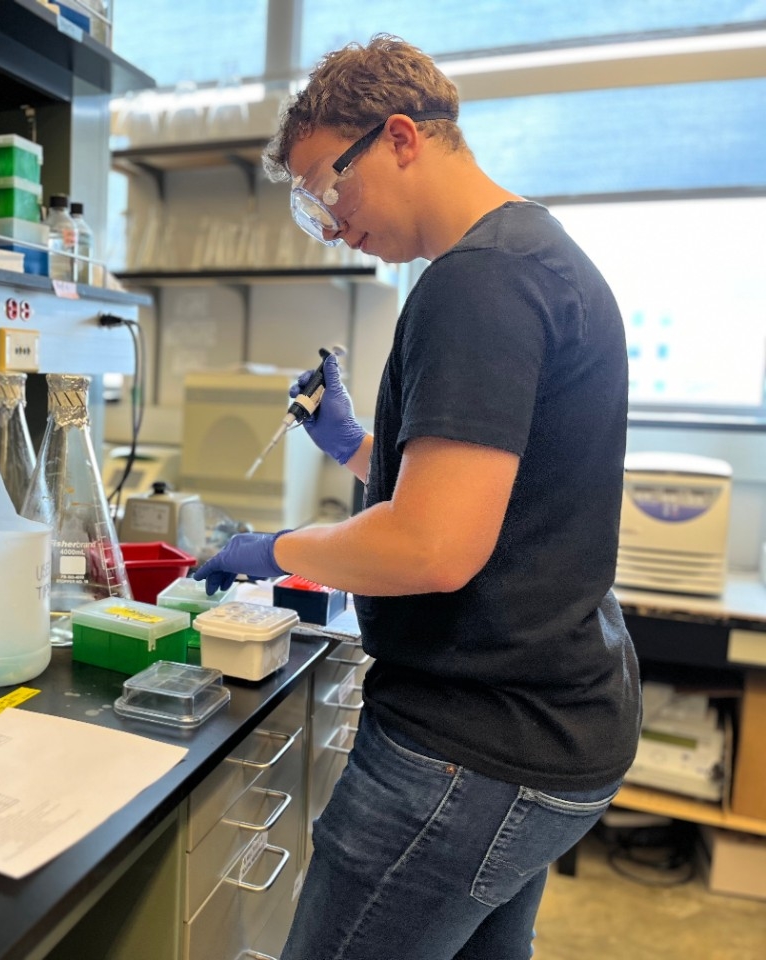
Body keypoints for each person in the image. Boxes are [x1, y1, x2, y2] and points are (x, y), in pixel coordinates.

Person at [192, 34, 641, 960]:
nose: (329, 221)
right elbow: (500, 495)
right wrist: (358, 447)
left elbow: (433, 547)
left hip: (469, 747)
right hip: (552, 727)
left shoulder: (477, 281)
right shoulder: (531, 252)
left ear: (400, 137)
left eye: (329, 186)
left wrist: (274, 549)